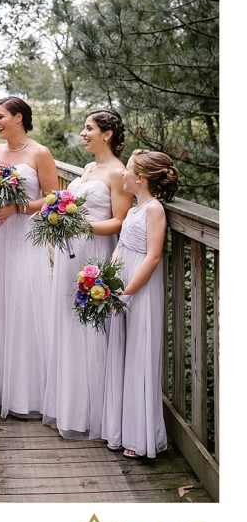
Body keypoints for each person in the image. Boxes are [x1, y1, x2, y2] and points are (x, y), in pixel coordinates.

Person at [42, 110, 131, 440]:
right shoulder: (90, 168)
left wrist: (79, 225)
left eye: (89, 128)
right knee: (68, 323)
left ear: (106, 134)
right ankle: (70, 405)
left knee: (88, 325)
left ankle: (92, 413)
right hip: (70, 252)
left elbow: (119, 221)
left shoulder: (119, 173)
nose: (83, 133)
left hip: (94, 254)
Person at [0, 96, 56, 419]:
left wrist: (18, 207)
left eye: (0, 117)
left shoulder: (40, 153)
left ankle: (27, 394)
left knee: (24, 306)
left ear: (18, 118)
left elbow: (53, 197)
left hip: (26, 235)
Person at [105, 150, 178, 458]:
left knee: (139, 354)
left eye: (128, 171)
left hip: (140, 288)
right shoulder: (134, 208)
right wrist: (106, 279)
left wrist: (128, 292)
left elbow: (153, 256)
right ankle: (121, 428)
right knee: (122, 351)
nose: (122, 174)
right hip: (121, 284)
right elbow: (122, 244)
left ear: (140, 179)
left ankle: (141, 435)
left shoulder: (153, 209)